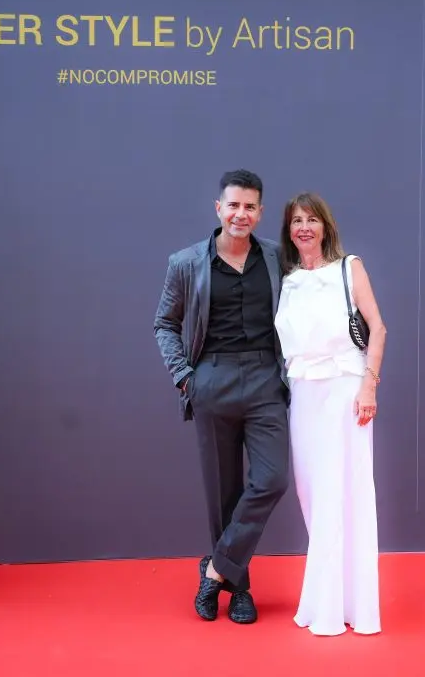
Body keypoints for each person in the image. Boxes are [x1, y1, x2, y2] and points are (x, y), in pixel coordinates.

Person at [153, 169, 290, 624]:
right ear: (218, 208)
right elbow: (164, 323)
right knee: (223, 493)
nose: (240, 214)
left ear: (260, 212)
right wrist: (185, 378)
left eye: (250, 207)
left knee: (271, 480)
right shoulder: (186, 263)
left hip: (266, 378)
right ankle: (240, 589)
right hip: (212, 377)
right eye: (233, 205)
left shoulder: (277, 259)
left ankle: (215, 570)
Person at [273, 192, 387, 636]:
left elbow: (378, 327)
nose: (304, 227)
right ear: (288, 231)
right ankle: (327, 597)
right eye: (296, 221)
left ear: (326, 226)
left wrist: (368, 385)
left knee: (345, 493)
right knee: (312, 493)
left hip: (345, 389)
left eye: (312, 219)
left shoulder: (349, 267)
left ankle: (350, 607)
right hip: (304, 392)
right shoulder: (288, 280)